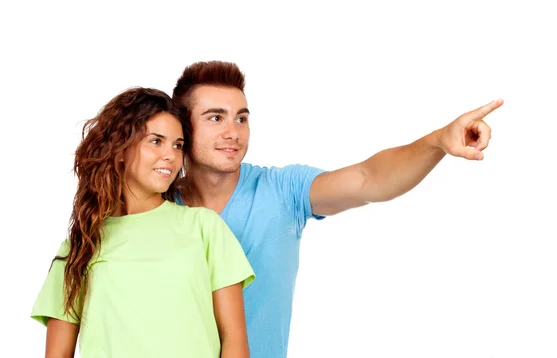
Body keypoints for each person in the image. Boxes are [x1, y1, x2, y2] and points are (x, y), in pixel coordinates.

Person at [171, 61, 504, 358]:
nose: (233, 132)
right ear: (184, 127)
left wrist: (438, 140)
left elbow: (368, 178)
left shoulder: (283, 190)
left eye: (241, 118)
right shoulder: (158, 205)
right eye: (216, 118)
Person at [30, 87, 255, 358]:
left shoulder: (205, 228)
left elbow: (235, 342)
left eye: (178, 145)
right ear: (121, 149)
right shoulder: (80, 248)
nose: (171, 155)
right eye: (156, 141)